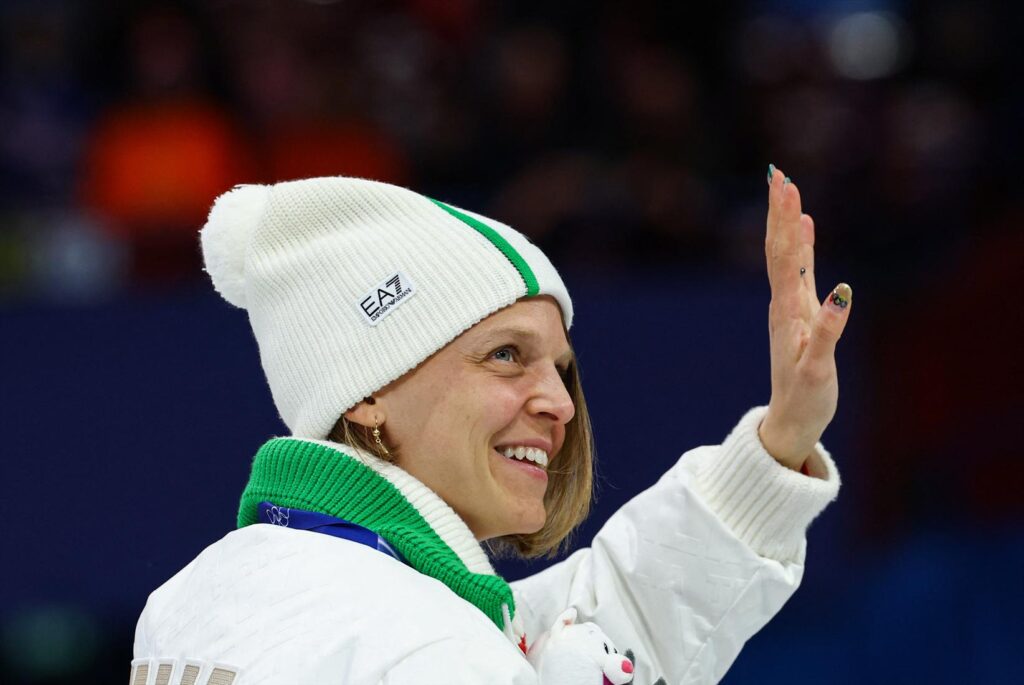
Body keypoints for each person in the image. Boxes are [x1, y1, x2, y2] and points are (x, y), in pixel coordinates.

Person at [131, 167, 850, 685]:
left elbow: (587, 620)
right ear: (366, 390)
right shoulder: (422, 646)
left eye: (560, 369)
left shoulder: (200, 596)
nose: (561, 403)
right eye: (505, 355)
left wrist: (778, 445)